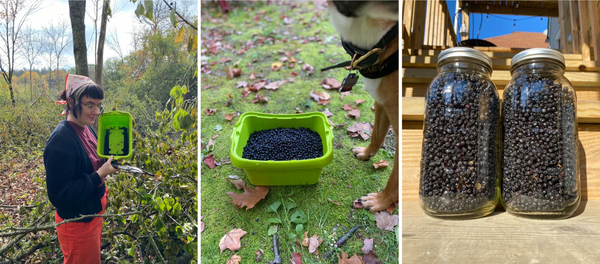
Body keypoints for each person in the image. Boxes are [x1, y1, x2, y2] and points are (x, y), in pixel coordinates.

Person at [44, 74, 118, 264]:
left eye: (98, 105)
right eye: (89, 105)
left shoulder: (86, 128)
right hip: (77, 223)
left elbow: (92, 161)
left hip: (92, 213)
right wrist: (100, 174)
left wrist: (110, 161)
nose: (96, 111)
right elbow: (60, 196)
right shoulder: (61, 141)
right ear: (71, 102)